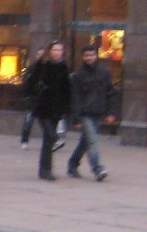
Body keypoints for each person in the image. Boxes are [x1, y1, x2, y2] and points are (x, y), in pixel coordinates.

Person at [65, 44, 115, 181]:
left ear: (96, 55)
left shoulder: (103, 73)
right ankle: (97, 169)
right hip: (84, 114)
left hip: (98, 112)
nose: (89, 58)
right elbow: (74, 99)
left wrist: (110, 112)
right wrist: (76, 119)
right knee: (92, 141)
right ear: (82, 57)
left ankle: (72, 164)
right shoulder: (77, 76)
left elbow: (110, 92)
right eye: (86, 55)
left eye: (92, 55)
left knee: (85, 142)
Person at [25, 41, 71, 181]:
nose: (57, 52)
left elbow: (66, 89)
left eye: (60, 50)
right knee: (51, 136)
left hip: (56, 109)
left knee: (48, 140)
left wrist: (67, 107)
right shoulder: (43, 66)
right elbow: (30, 84)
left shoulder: (63, 67)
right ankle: (45, 169)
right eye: (55, 49)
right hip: (42, 107)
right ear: (50, 51)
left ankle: (45, 169)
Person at [19, 45, 48, 149]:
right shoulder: (32, 68)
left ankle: (50, 140)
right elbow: (26, 82)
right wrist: (26, 94)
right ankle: (24, 141)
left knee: (45, 123)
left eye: (42, 55)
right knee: (29, 121)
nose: (40, 57)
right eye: (39, 54)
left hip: (43, 100)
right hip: (32, 99)